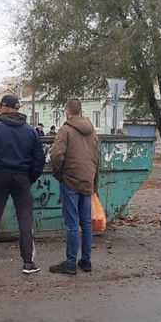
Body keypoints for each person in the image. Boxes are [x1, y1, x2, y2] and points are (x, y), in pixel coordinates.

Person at [0, 94, 45, 274]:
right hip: (22, 176)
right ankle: (28, 262)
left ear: (6, 108)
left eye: (1, 107)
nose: (0, 109)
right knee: (24, 217)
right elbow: (39, 159)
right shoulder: (31, 131)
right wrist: (30, 177)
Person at [49, 98, 100, 275]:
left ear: (67, 112)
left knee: (72, 223)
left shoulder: (66, 130)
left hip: (70, 180)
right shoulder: (92, 132)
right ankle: (86, 261)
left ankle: (70, 263)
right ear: (81, 112)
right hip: (87, 180)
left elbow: (56, 155)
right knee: (86, 223)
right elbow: (97, 158)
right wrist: (94, 183)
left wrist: (59, 173)